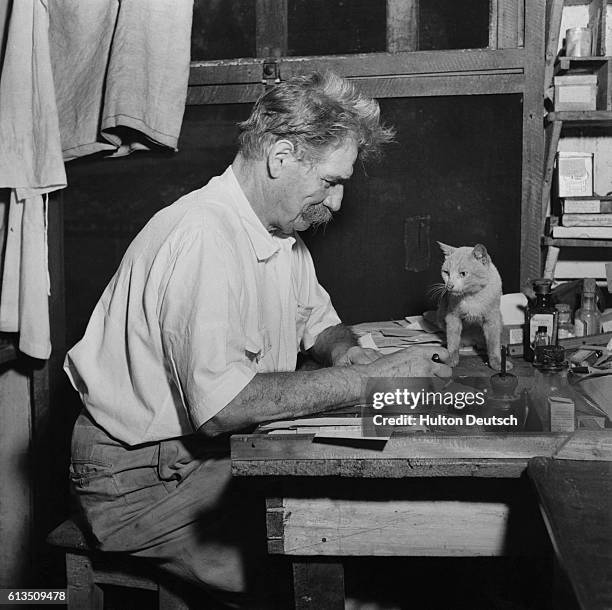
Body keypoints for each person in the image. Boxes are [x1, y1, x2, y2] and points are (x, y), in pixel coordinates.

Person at [64, 71, 451, 607]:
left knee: (365, 532)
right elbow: (223, 407)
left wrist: (344, 350)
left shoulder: (278, 236)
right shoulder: (204, 236)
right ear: (282, 156)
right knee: (323, 582)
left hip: (206, 456)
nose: (336, 204)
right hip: (140, 479)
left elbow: (320, 325)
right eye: (332, 182)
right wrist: (369, 382)